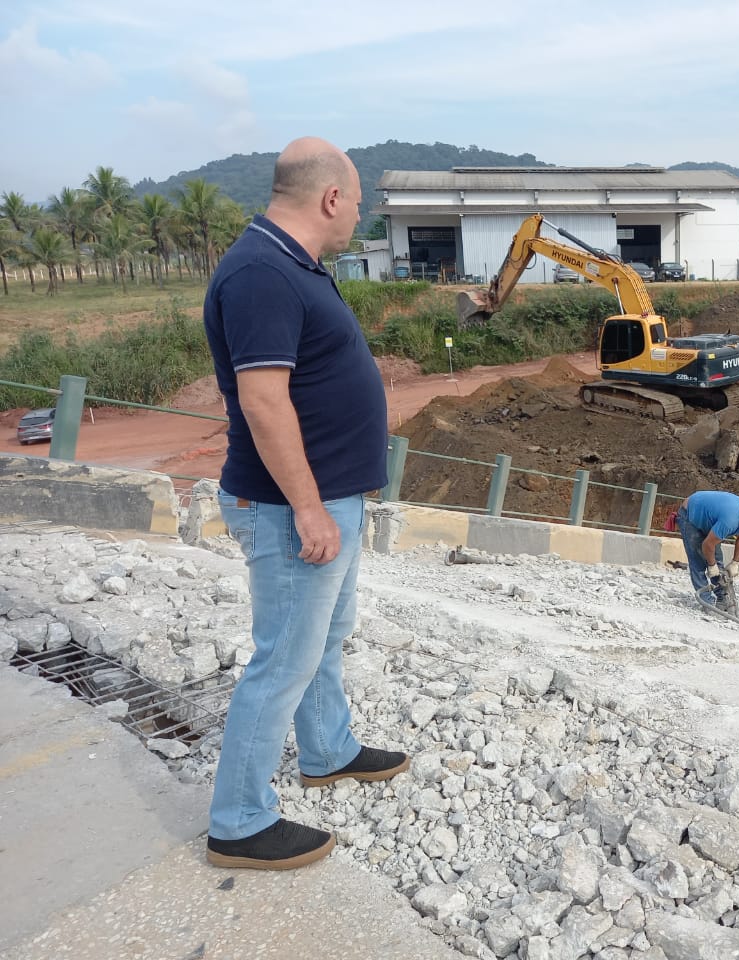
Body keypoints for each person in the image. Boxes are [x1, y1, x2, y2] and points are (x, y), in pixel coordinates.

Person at [202, 136, 408, 871]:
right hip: (295, 508)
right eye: (356, 201)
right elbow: (263, 401)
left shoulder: (293, 266)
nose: (359, 214)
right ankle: (238, 821)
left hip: (326, 498)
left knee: (324, 635)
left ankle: (328, 749)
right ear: (330, 199)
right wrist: (312, 507)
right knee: (283, 658)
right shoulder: (262, 272)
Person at [676, 491, 739, 610]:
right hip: (690, 514)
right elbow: (707, 545)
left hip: (709, 519)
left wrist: (735, 562)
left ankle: (723, 598)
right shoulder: (730, 520)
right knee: (698, 562)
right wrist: (711, 565)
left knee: (718, 563)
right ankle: (707, 602)